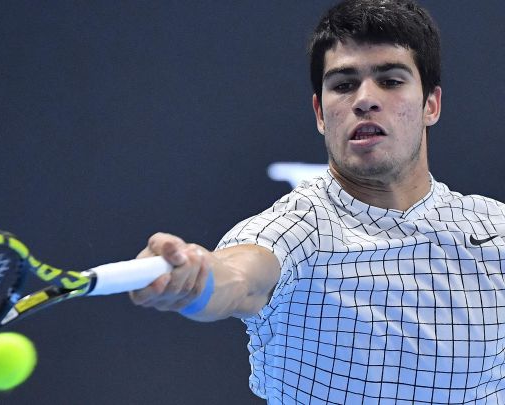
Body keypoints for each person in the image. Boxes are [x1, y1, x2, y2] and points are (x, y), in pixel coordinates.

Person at [130, 0, 505, 403]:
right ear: (321, 114)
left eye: (391, 81)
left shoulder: (494, 229)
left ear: (431, 104)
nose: (365, 99)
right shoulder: (297, 228)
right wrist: (197, 279)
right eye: (343, 85)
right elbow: (239, 276)